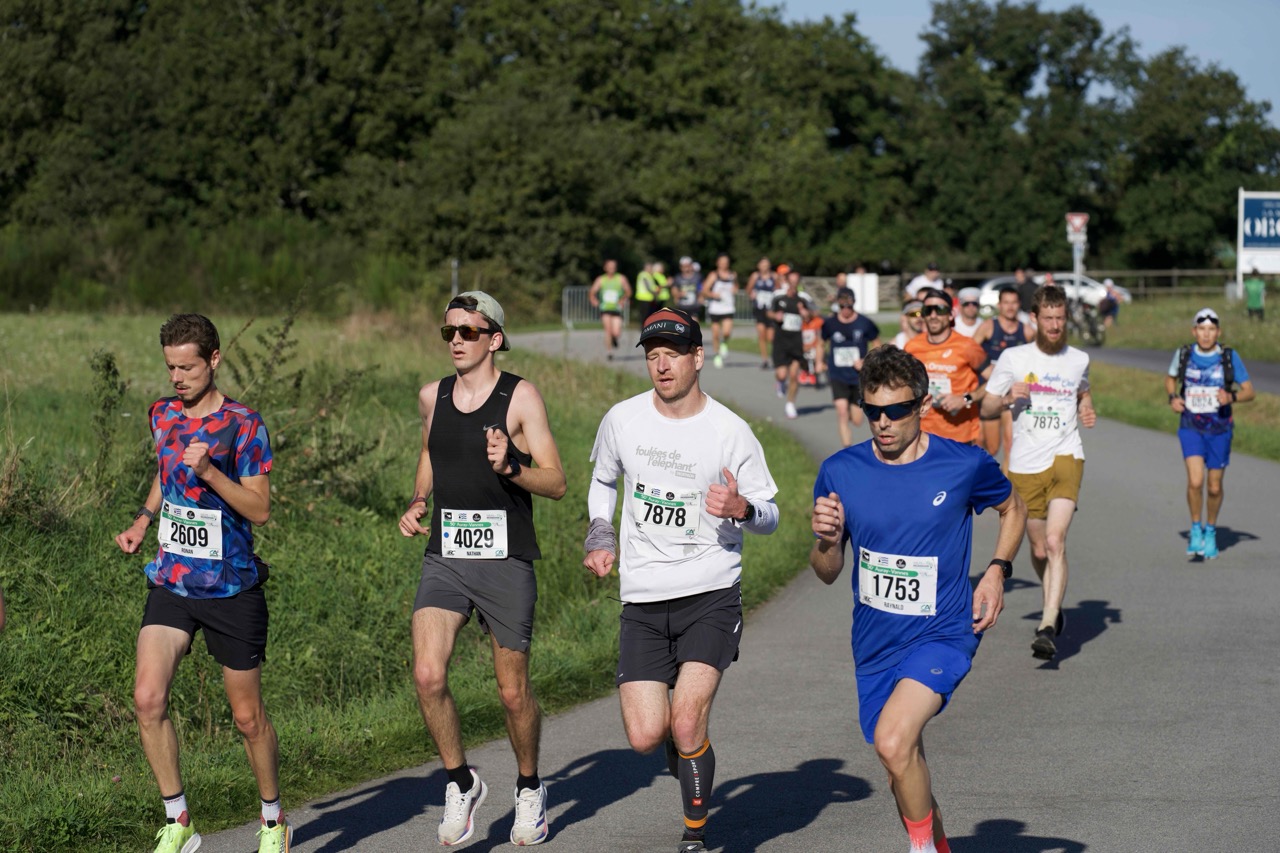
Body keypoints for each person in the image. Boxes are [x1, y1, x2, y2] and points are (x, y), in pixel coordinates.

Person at [810, 345, 1027, 853]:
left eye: (897, 410)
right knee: (900, 762)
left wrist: (996, 571)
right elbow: (826, 573)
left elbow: (1013, 508)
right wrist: (827, 542)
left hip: (943, 632)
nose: (883, 423)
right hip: (875, 641)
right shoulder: (840, 471)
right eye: (872, 411)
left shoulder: (964, 464)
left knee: (892, 741)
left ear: (923, 405)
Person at [584, 307, 780, 853]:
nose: (662, 366)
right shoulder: (622, 420)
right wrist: (600, 532)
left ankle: (695, 834)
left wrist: (742, 509)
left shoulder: (730, 431)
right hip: (643, 599)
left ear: (698, 357)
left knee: (688, 720)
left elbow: (770, 515)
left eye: (672, 354)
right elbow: (603, 480)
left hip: (710, 594)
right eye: (653, 356)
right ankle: (678, 742)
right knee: (646, 735)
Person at [113, 313, 290, 853]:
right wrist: (144, 520)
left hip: (231, 589)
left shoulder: (244, 424)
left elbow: (260, 510)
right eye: (170, 367)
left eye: (186, 368)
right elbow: (165, 472)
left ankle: (273, 821)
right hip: (172, 583)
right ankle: (180, 819)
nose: (177, 378)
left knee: (248, 718)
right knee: (147, 699)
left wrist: (211, 472)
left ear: (213, 360)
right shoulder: (162, 414)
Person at [398, 291, 567, 846]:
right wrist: (419, 499)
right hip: (446, 556)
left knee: (513, 693)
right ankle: (460, 782)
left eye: (468, 331)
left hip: (505, 560)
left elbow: (556, 482)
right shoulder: (432, 395)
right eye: (449, 331)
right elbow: (430, 452)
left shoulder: (520, 396)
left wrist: (511, 466)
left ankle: (529, 787)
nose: (456, 341)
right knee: (428, 675)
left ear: (494, 339)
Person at [982, 285, 1096, 660]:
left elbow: (1082, 390)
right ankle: (1053, 600)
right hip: (1025, 463)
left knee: (1054, 540)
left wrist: (1086, 406)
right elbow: (986, 408)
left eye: (1060, 318)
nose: (1054, 325)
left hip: (1066, 455)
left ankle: (1047, 624)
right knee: (1037, 547)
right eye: (1048, 318)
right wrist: (1007, 398)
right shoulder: (1013, 357)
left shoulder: (1078, 359)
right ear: (1034, 319)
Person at [1163, 308, 1256, 560]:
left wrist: (1231, 397)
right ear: (1194, 331)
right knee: (1195, 482)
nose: (1206, 334)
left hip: (1220, 429)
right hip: (1191, 427)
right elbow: (1170, 379)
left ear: (1218, 332)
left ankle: (1211, 530)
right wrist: (1173, 397)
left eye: (1211, 329)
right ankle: (1196, 528)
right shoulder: (1184, 354)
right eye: (1202, 329)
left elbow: (1249, 391)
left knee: (1214, 487)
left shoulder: (1228, 357)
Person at [904, 289, 992, 446]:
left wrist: (965, 399)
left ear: (951, 315)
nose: (933, 315)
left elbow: (996, 379)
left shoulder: (967, 346)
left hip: (958, 435)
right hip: (922, 434)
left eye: (940, 310)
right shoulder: (912, 347)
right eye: (928, 310)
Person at [973, 286, 1035, 465]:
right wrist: (985, 369)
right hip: (988, 393)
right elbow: (969, 353)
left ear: (1019, 305)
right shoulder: (988, 327)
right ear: (999, 305)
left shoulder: (1027, 332)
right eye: (1006, 303)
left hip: (1012, 394)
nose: (1010, 307)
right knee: (988, 447)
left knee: (1010, 445)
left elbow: (1037, 359)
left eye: (1014, 303)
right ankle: (982, 477)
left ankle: (1007, 483)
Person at [822, 287, 881, 446]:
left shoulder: (864, 323)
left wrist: (867, 361)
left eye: (849, 306)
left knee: (857, 420)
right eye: (842, 306)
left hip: (858, 377)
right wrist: (819, 361)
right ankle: (846, 449)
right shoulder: (830, 323)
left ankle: (850, 408)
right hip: (837, 374)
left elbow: (877, 344)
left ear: (854, 304)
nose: (846, 309)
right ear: (838, 304)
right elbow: (821, 342)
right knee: (841, 412)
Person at [771, 275, 809, 420]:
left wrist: (806, 313)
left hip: (796, 343)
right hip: (781, 342)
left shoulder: (803, 300)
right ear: (787, 282)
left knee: (794, 376)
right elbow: (768, 312)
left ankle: (790, 404)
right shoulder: (778, 297)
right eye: (791, 282)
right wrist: (776, 316)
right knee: (782, 374)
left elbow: (813, 314)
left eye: (795, 282)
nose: (793, 285)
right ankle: (780, 382)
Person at [589, 259, 633, 361]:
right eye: (609, 266)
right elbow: (592, 292)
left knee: (616, 332)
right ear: (605, 268)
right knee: (608, 331)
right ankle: (609, 353)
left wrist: (622, 299)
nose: (611, 268)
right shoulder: (601, 279)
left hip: (617, 308)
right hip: (605, 308)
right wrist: (593, 299)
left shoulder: (621, 278)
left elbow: (629, 291)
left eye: (613, 266)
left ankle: (614, 338)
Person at [701, 254, 738, 368]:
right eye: (722, 262)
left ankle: (724, 343)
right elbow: (704, 290)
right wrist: (713, 294)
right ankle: (717, 355)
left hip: (728, 307)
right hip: (716, 308)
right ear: (717, 263)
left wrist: (735, 289)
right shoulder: (714, 275)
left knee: (727, 332)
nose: (724, 264)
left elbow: (736, 288)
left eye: (726, 262)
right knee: (716, 334)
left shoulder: (732, 275)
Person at [747, 257, 780, 370]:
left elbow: (779, 289)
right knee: (761, 334)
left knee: (771, 337)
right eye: (762, 264)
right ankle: (764, 359)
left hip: (771, 309)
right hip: (759, 309)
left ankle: (775, 357)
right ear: (759, 266)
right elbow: (748, 289)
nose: (764, 267)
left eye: (766, 264)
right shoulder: (755, 276)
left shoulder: (774, 276)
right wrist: (751, 294)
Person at [671, 256, 704, 323]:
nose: (686, 268)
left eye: (688, 266)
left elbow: (701, 288)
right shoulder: (678, 278)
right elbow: (674, 290)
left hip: (694, 306)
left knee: (694, 324)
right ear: (681, 267)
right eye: (684, 266)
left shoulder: (697, 277)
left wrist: (701, 296)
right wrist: (679, 294)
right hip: (682, 306)